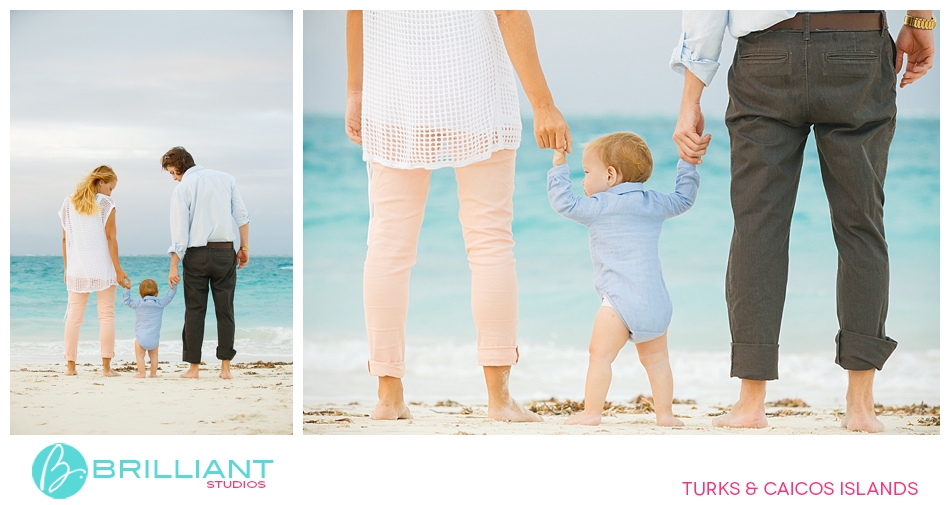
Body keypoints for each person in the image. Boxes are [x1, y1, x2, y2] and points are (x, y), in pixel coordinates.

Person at [670, 10, 936, 431]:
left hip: (765, 57)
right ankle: (861, 405)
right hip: (858, 49)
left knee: (757, 228)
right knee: (860, 226)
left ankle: (750, 402)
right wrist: (921, 21)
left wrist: (690, 99)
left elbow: (706, 9)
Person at [346, 10, 572, 421]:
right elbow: (507, 10)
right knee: (490, 243)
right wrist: (544, 104)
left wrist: (354, 91)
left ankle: (388, 397)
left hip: (395, 98)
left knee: (388, 248)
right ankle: (499, 400)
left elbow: (356, 10)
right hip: (475, 94)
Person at [547, 133, 699, 426]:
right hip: (655, 304)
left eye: (586, 172)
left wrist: (558, 163)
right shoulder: (654, 203)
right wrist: (687, 164)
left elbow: (564, 203)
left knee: (599, 356)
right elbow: (684, 199)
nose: (583, 180)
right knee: (657, 362)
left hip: (618, 302)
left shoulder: (599, 206)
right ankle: (665, 415)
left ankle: (592, 413)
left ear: (611, 175)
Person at [163, 146, 250, 380]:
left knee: (194, 310)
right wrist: (244, 248)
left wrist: (174, 265)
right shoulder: (226, 179)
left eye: (173, 172)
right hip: (224, 252)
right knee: (225, 311)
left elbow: (179, 233)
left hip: (197, 255)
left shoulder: (183, 188)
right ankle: (225, 369)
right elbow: (242, 216)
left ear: (181, 166)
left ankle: (193, 369)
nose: (174, 178)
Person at [59, 165, 132, 376]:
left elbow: (65, 239)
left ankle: (70, 368)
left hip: (77, 267)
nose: (111, 192)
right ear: (101, 182)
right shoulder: (106, 203)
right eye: (111, 187)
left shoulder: (68, 202)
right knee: (106, 316)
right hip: (102, 266)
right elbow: (111, 238)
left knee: (74, 317)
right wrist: (118, 270)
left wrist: (67, 267)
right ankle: (107, 369)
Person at [123, 278, 177, 378]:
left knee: (140, 356)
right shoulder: (160, 303)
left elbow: (127, 301)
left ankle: (142, 373)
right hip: (154, 338)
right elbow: (169, 297)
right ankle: (153, 374)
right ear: (156, 293)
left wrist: (127, 288)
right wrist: (174, 284)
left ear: (140, 294)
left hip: (140, 339)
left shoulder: (138, 303)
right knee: (154, 356)